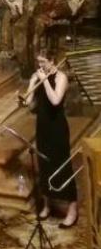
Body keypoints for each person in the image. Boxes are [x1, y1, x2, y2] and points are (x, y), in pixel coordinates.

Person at [25, 49, 78, 228]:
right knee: (44, 165)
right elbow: (29, 104)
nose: (40, 65)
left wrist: (45, 80)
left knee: (62, 165)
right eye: (38, 62)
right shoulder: (40, 77)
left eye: (43, 62)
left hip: (57, 128)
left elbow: (55, 100)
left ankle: (72, 209)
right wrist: (32, 82)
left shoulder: (61, 77)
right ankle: (47, 205)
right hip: (43, 126)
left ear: (52, 61)